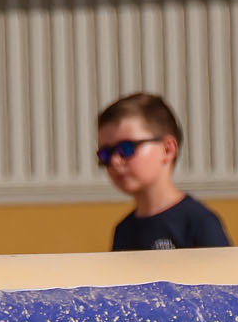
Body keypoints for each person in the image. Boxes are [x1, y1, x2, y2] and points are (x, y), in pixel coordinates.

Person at [99, 93, 230, 250]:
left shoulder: (200, 222)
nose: (115, 161)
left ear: (167, 150)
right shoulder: (123, 231)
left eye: (126, 148)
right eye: (106, 153)